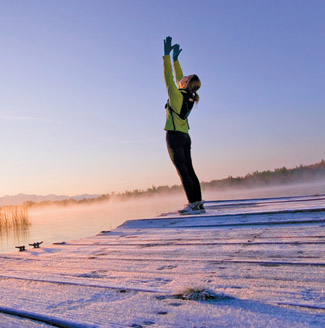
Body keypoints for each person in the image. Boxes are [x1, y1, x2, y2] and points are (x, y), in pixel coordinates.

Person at [163, 36, 205, 215]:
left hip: (174, 136)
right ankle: (198, 203)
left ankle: (193, 204)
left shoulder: (177, 95)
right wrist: (175, 60)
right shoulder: (188, 96)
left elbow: (169, 78)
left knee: (183, 172)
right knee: (190, 170)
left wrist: (165, 57)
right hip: (185, 137)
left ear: (186, 83)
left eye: (186, 77)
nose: (184, 76)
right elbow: (179, 77)